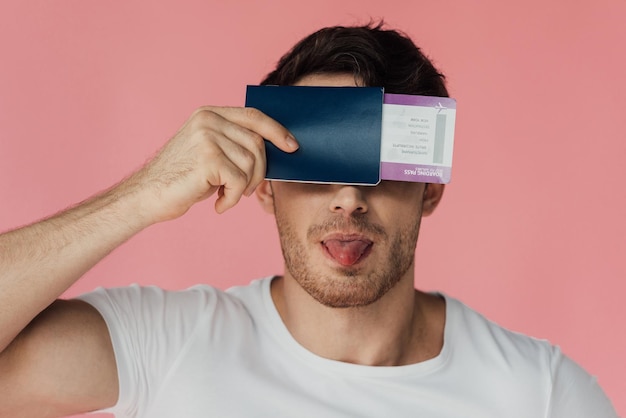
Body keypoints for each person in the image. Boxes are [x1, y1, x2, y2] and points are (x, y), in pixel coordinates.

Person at [0, 23, 617, 418]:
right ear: (266, 188)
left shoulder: (542, 397)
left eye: (379, 169)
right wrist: (141, 195)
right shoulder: (168, 344)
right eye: (316, 165)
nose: (348, 198)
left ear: (430, 190)